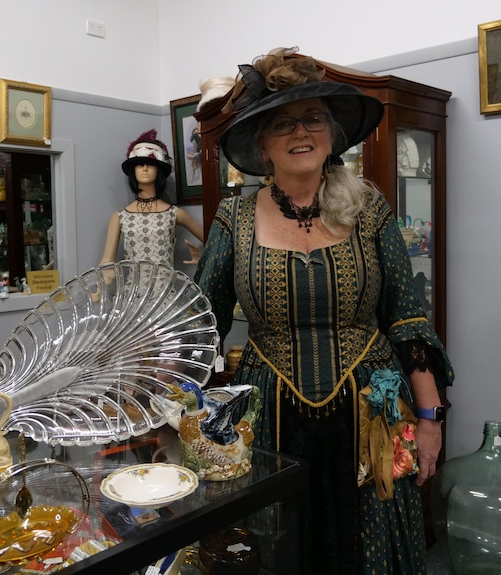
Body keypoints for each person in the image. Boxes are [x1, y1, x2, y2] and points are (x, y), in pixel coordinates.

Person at [194, 47, 454, 574]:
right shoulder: (234, 216)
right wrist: (167, 397)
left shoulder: (371, 208)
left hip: (375, 410)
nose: (300, 132)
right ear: (263, 146)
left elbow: (408, 319)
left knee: (374, 544)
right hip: (271, 416)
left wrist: (429, 419)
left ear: (332, 134)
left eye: (313, 118)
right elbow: (202, 324)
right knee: (282, 540)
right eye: (282, 123)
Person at [100, 130, 205, 268]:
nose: (144, 169)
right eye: (139, 164)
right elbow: (107, 263)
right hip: (133, 289)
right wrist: (100, 286)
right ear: (133, 170)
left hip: (165, 288)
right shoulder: (119, 217)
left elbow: (213, 242)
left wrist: (203, 258)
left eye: (150, 164)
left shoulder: (175, 214)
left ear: (159, 170)